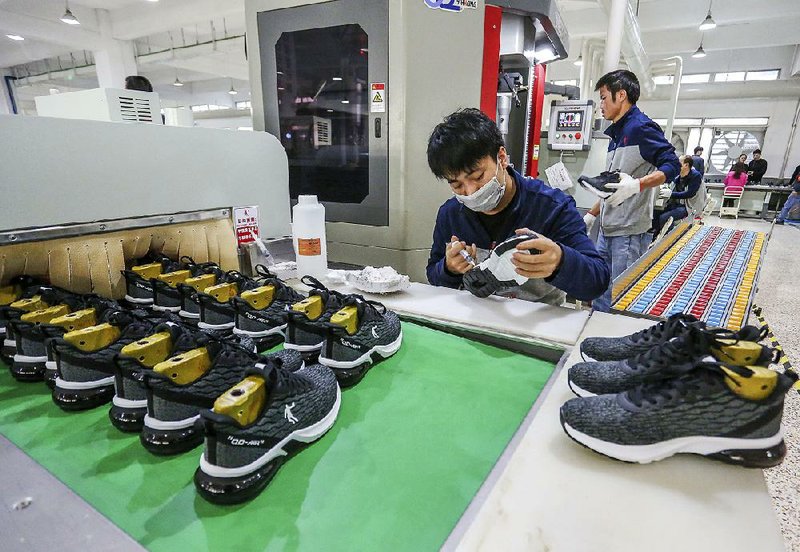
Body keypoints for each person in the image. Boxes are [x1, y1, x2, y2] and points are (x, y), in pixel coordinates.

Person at [425, 108, 609, 305]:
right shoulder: (451, 214)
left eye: (477, 177)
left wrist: (560, 261)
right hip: (474, 321)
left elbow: (597, 281)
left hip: (536, 326)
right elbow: (433, 276)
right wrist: (448, 268)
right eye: (457, 184)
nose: (471, 192)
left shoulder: (551, 208)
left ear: (501, 158)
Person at [582, 70, 681, 312]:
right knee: (601, 292)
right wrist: (592, 215)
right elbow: (613, 188)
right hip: (608, 229)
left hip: (628, 233)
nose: (601, 105)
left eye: (604, 98)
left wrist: (637, 185)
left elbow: (673, 165)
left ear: (621, 95)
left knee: (621, 300)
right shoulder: (616, 134)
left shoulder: (641, 128)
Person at [655, 155, 702, 234]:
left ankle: (668, 238)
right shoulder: (678, 175)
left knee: (664, 218)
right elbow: (670, 182)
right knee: (656, 213)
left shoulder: (695, 176)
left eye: (678, 162)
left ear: (686, 165)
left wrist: (670, 194)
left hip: (689, 206)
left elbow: (690, 194)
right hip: (677, 203)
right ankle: (655, 238)